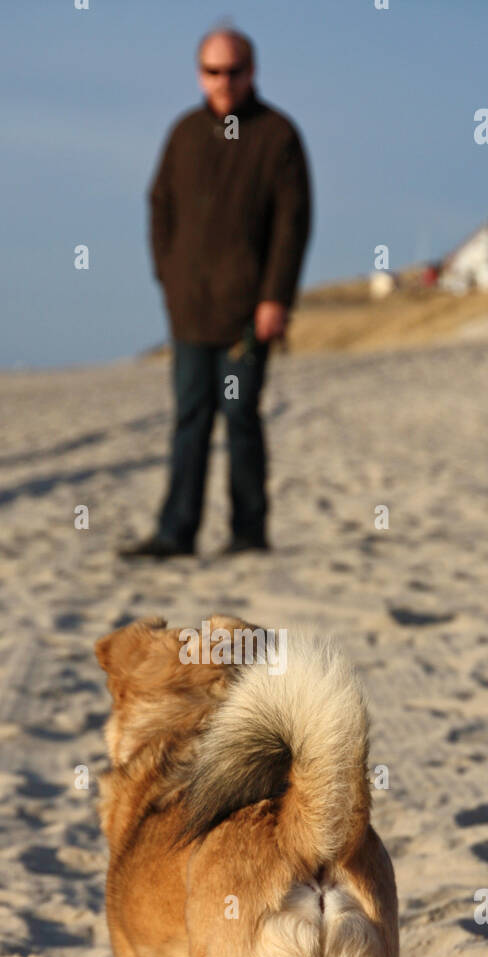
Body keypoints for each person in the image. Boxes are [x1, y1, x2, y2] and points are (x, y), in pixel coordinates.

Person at [121, 27, 311, 559]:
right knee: (189, 420)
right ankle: (175, 532)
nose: (222, 82)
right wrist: (169, 273)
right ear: (199, 74)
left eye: (233, 71)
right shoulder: (183, 133)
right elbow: (159, 205)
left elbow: (292, 225)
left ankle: (249, 535)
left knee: (241, 417)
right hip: (189, 311)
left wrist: (276, 297)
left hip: (247, 313)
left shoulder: (278, 135)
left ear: (252, 72)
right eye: (212, 71)